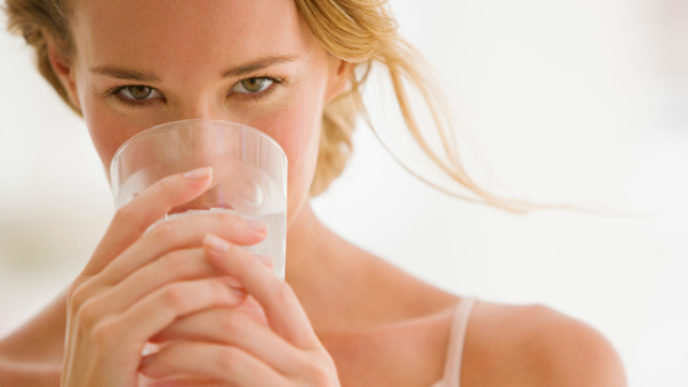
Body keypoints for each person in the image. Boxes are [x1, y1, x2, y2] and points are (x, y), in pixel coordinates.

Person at [0, 0, 627, 386]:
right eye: (136, 94)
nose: (208, 167)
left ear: (338, 65)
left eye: (254, 84)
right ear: (66, 69)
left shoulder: (540, 370)